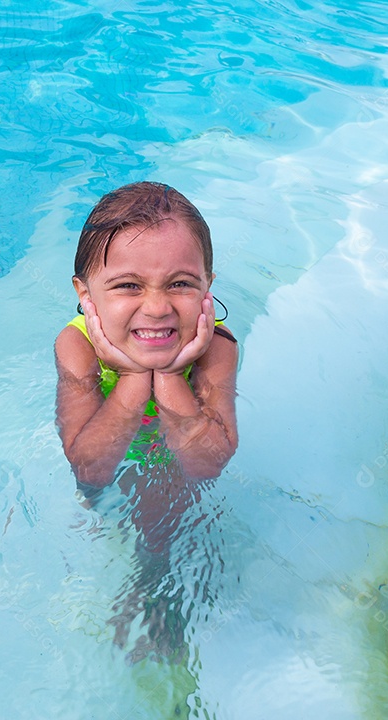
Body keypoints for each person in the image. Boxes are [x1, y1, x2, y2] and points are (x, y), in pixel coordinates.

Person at [54, 181, 239, 664]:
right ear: (85, 293)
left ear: (207, 287)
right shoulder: (77, 347)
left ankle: (155, 580)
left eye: (180, 283)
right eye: (128, 285)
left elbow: (207, 463)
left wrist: (174, 374)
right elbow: (89, 465)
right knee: (95, 500)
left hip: (169, 456)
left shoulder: (216, 348)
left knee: (165, 505)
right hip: (108, 442)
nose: (157, 307)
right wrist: (136, 375)